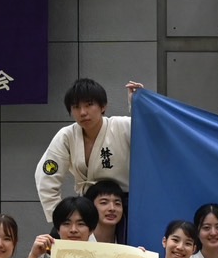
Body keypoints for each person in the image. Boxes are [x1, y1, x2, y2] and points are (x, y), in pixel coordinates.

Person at [34, 78, 141, 223]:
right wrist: (60, 217)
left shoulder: (122, 126)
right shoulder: (66, 136)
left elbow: (149, 134)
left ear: (103, 106)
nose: (83, 112)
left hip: (122, 206)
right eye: (76, 107)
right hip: (87, 208)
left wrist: (138, 105)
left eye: (89, 105)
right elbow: (46, 178)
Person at [84, 178, 129, 245]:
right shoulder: (81, 241)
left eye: (117, 203)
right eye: (104, 203)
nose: (112, 208)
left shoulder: (127, 243)